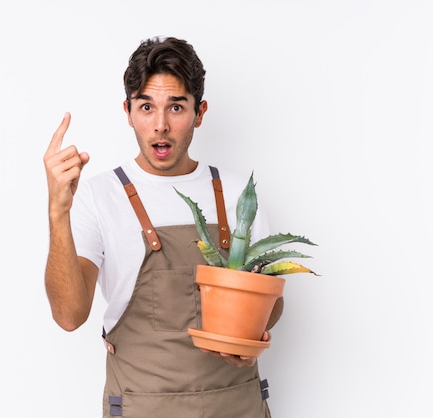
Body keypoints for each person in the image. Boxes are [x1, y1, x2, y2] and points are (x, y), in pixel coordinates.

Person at [43, 36, 282, 418]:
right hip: (142, 406)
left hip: (237, 405)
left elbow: (272, 303)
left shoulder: (238, 193)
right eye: (146, 107)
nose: (160, 125)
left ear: (199, 112)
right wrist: (58, 213)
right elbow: (69, 316)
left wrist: (248, 337)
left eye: (176, 107)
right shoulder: (96, 196)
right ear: (128, 111)